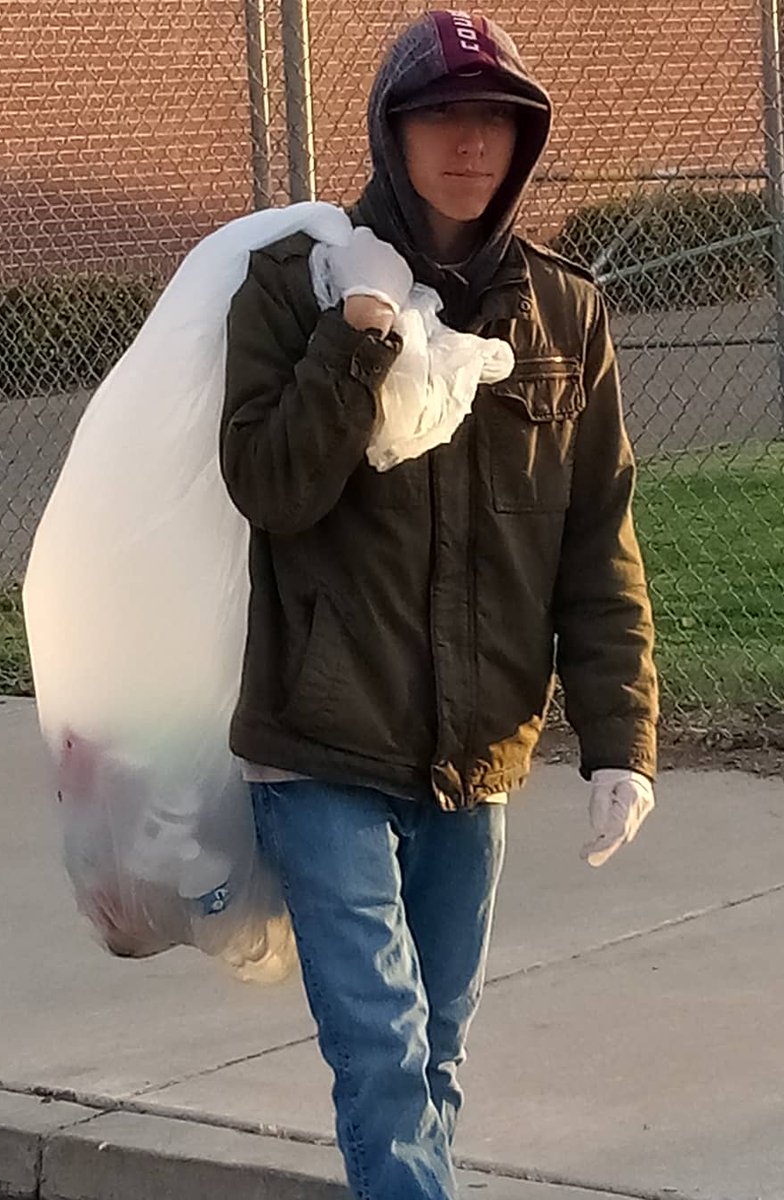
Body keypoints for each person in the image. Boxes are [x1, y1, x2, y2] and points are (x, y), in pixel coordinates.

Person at [219, 11, 658, 1199]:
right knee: (383, 1056)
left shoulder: (564, 315)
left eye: (498, 120)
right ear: (391, 130)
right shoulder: (296, 284)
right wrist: (358, 337)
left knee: (435, 1056)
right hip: (322, 744)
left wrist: (621, 741)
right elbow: (270, 487)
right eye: (444, 116)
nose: (473, 143)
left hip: (480, 750)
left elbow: (595, 538)